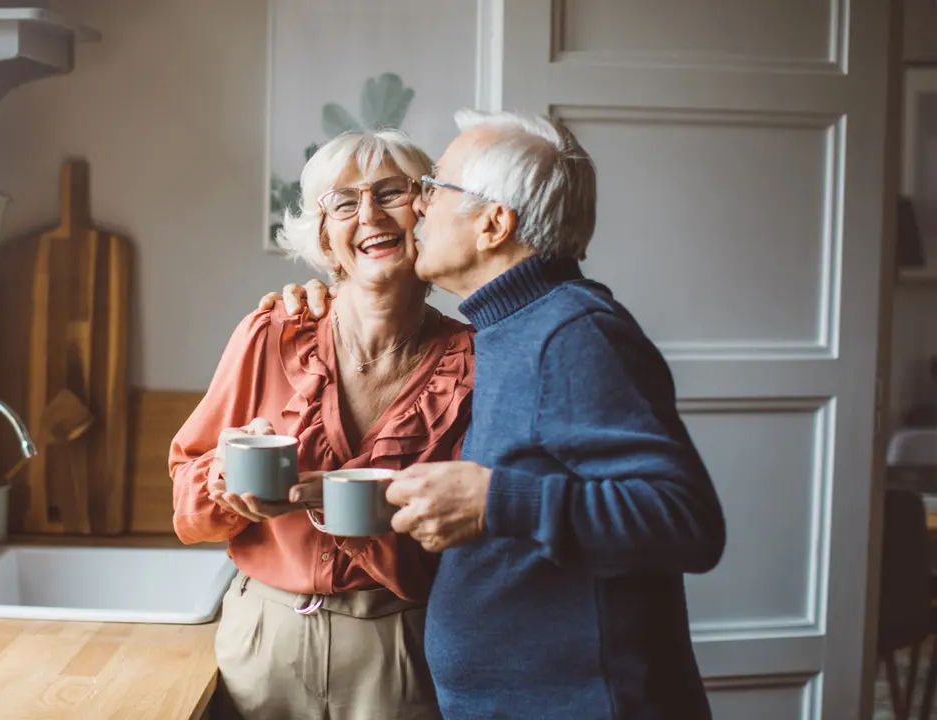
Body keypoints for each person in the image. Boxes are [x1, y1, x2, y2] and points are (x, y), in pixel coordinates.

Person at [260, 108, 727, 719]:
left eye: (434, 188)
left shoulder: (574, 333)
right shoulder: (508, 327)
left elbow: (687, 521)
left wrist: (493, 503)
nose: (418, 207)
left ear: (493, 223)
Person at [169, 127, 474, 720]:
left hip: (400, 645)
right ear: (326, 238)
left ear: (426, 211)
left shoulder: (474, 362)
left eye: (390, 193)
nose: (368, 214)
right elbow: (185, 503)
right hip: (264, 639)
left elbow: (473, 542)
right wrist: (223, 480)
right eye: (343, 202)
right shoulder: (271, 332)